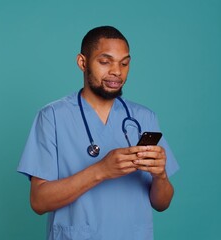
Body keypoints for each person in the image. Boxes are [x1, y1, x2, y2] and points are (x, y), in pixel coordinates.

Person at [17, 26, 179, 240]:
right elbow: (38, 202)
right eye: (105, 61)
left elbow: (162, 203)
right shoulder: (52, 117)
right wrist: (102, 170)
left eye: (124, 63)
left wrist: (160, 176)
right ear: (82, 62)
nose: (117, 71)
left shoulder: (144, 118)